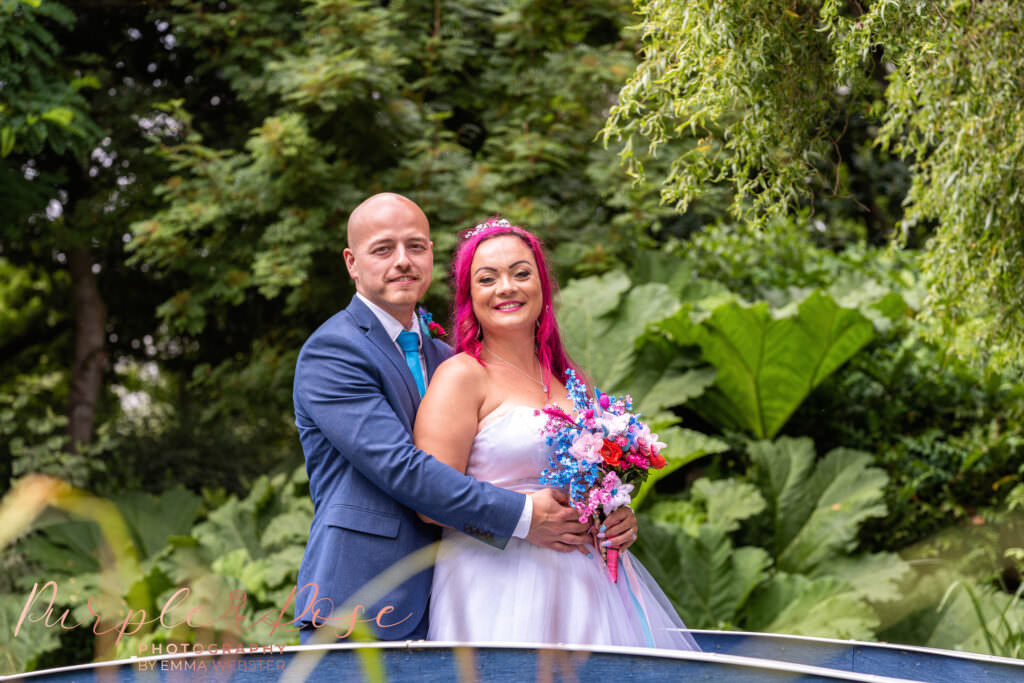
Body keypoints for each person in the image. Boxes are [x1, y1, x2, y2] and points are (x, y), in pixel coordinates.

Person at [292, 194, 594, 643]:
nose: (402, 261)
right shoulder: (334, 351)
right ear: (352, 263)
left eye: (415, 246)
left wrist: (603, 512)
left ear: (431, 253)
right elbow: (402, 467)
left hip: (460, 594)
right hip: (364, 598)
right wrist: (527, 515)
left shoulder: (446, 356)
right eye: (383, 249)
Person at [416, 218, 700, 649]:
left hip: (587, 588)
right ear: (469, 297)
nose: (506, 287)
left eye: (521, 273)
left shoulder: (569, 383)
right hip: (497, 583)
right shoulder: (461, 377)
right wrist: (524, 515)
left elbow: (588, 488)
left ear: (542, 287)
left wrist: (614, 517)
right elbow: (430, 501)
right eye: (487, 278)